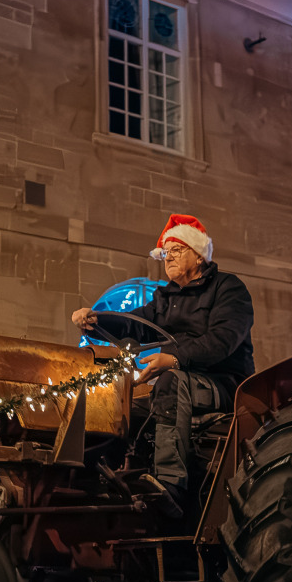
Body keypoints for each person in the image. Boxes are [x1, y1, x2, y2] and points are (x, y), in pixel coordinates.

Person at [71, 214, 253, 518]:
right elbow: (137, 324)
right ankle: (98, 480)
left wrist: (176, 358)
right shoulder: (167, 298)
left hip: (224, 385)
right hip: (180, 384)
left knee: (169, 382)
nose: (168, 257)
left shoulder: (229, 289)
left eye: (176, 250)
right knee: (122, 405)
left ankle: (170, 487)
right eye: (165, 252)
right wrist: (96, 321)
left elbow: (223, 340)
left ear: (198, 255)